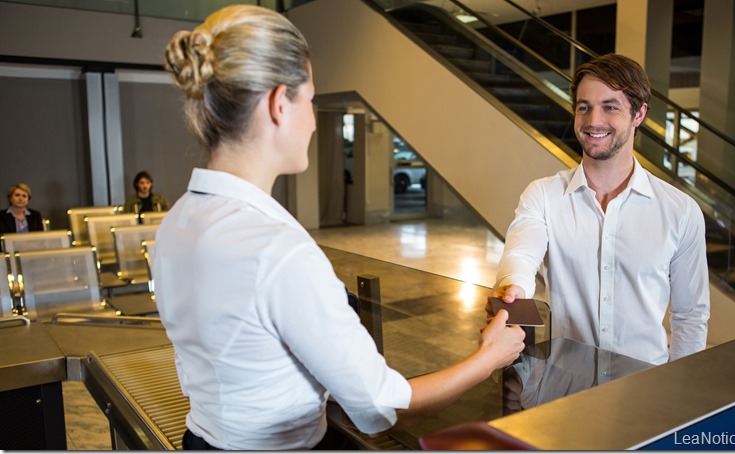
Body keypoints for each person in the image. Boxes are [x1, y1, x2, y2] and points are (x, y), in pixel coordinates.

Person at [156, 5, 525, 450]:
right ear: (278, 105)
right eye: (309, 100)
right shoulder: (279, 251)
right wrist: (489, 358)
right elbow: (379, 406)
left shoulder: (177, 221)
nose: (312, 120)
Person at [491, 53, 710, 366]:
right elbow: (522, 256)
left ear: (639, 114)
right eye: (584, 107)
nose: (594, 121)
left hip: (645, 384)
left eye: (610, 107)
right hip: (566, 386)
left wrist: (679, 389)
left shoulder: (680, 211)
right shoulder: (543, 195)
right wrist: (514, 285)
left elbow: (691, 315)